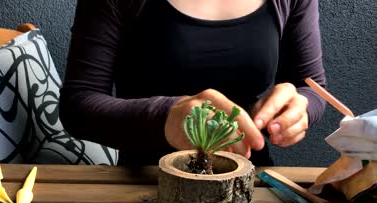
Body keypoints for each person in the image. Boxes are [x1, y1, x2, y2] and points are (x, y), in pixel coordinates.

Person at [60, 0, 327, 166]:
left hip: (253, 186)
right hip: (143, 191)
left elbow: (312, 88)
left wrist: (298, 108)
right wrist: (166, 117)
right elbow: (78, 105)